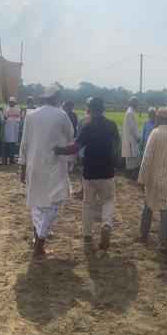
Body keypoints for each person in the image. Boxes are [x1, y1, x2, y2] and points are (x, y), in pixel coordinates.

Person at [53, 97, 119, 250]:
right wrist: (115, 162)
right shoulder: (112, 125)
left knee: (88, 203)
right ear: (103, 109)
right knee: (108, 200)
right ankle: (106, 225)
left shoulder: (87, 127)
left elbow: (76, 147)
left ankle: (88, 235)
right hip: (107, 171)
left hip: (89, 171)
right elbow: (117, 146)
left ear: (89, 109)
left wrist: (58, 150)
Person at [18, 85, 73, 258]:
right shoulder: (61, 115)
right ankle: (40, 242)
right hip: (54, 166)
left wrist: (22, 166)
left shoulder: (30, 115)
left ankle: (38, 238)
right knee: (52, 205)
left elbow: (24, 143)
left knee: (36, 203)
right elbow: (71, 136)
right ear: (56, 98)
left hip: (34, 165)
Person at [138, 108, 167, 253]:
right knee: (165, 209)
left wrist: (142, 178)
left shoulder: (154, 133)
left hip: (153, 177)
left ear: (158, 119)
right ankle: (163, 243)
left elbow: (147, 157)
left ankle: (143, 235)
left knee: (148, 205)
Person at [121, 97, 141, 174]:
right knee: (131, 158)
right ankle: (130, 174)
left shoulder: (131, 112)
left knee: (133, 157)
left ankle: (131, 173)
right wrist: (137, 137)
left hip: (131, 139)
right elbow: (132, 128)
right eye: (136, 103)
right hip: (131, 139)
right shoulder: (130, 113)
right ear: (133, 103)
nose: (137, 105)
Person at [3, 97, 23, 165]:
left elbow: (20, 118)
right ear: (9, 102)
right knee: (7, 144)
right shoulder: (6, 108)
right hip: (8, 129)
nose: (11, 103)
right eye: (10, 102)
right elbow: (4, 118)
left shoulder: (18, 108)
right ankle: (6, 160)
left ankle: (11, 159)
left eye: (12, 102)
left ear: (15, 102)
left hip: (14, 129)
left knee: (13, 144)